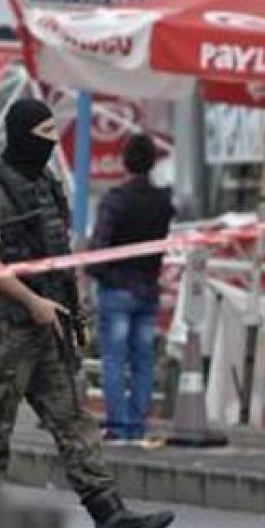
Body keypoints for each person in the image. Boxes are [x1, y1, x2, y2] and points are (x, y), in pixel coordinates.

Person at [0, 98, 174, 528]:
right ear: (21, 135)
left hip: (48, 323)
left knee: (73, 421)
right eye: (43, 135)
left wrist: (71, 305)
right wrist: (32, 301)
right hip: (4, 328)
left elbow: (57, 249)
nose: (52, 143)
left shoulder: (46, 182)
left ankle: (110, 515)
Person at [87, 134, 175, 444]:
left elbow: (99, 247)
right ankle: (138, 424)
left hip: (116, 288)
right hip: (148, 289)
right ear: (153, 162)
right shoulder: (163, 202)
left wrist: (94, 273)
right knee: (143, 360)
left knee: (114, 358)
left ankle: (119, 426)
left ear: (125, 161)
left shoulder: (115, 200)